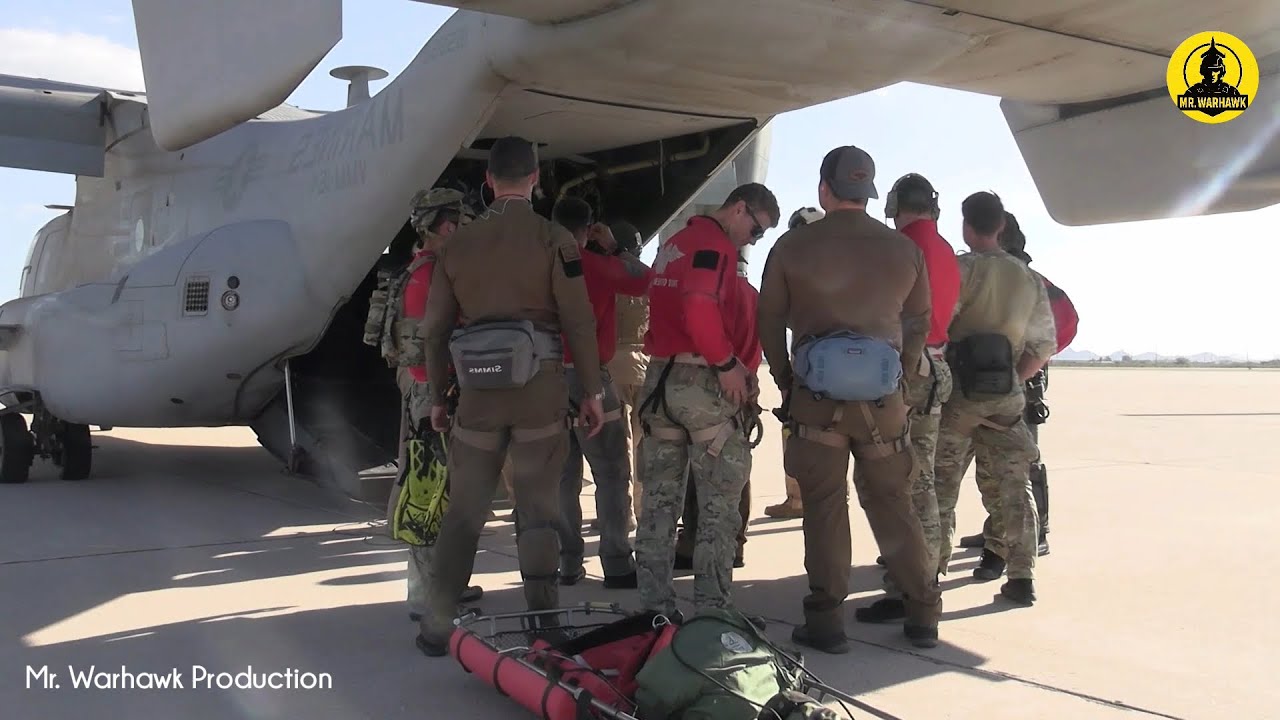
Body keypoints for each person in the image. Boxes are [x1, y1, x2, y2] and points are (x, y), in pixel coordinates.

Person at [416, 136, 605, 656]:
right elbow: (579, 322)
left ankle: (436, 625)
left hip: (476, 391)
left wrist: (438, 396)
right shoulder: (555, 240)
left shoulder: (456, 245)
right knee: (537, 506)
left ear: (489, 182)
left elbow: (433, 330)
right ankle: (543, 623)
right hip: (538, 390)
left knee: (465, 508)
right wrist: (590, 391)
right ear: (536, 178)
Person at [758, 145, 941, 653]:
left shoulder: (792, 248)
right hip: (884, 403)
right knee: (894, 503)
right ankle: (923, 614)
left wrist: (785, 379)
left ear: (824, 189)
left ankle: (826, 623)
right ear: (869, 192)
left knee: (823, 507)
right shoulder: (904, 250)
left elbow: (769, 320)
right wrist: (899, 378)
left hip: (816, 401)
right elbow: (919, 320)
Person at [635, 182, 779, 618]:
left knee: (659, 503)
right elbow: (699, 305)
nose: (752, 240)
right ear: (740, 210)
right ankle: (713, 611)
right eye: (756, 231)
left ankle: (654, 608)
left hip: (659, 380)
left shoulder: (675, 244)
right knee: (719, 505)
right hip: (701, 381)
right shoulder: (713, 247)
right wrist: (726, 364)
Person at [932, 193, 1057, 606]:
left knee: (940, 487)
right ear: (1001, 226)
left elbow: (935, 332)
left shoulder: (960, 269)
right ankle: (1022, 576)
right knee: (1013, 486)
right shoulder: (1028, 279)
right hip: (1005, 399)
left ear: (967, 226)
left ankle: (929, 574)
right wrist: (1012, 383)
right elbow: (1042, 347)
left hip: (959, 399)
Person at [856, 173, 961, 624]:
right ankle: (926, 578)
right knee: (924, 482)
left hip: (902, 371)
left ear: (896, 203)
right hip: (935, 369)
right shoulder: (946, 252)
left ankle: (910, 589)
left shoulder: (897, 249)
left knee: (893, 482)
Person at [383, 187, 485, 624]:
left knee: (438, 491)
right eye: (460, 224)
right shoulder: (434, 275)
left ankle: (440, 587)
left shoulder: (415, 270)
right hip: (434, 395)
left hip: (423, 389)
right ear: (446, 227)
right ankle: (429, 598)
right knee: (430, 494)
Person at [957, 211, 1078, 561]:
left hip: (1015, 384)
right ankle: (997, 533)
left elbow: (1063, 324)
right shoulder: (1019, 280)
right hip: (996, 381)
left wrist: (1026, 365)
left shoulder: (1023, 281)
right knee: (989, 463)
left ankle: (1036, 533)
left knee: (1019, 463)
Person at [550, 198, 651, 589]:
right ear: (588, 228)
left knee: (563, 478)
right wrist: (612, 246)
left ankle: (568, 563)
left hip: (548, 381)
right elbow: (645, 279)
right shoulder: (595, 264)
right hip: (593, 379)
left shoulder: (542, 265)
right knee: (610, 473)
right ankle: (615, 561)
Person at [672, 249, 761, 571]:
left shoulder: (716, 294)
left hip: (709, 386)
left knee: (699, 470)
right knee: (737, 473)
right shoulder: (754, 295)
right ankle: (734, 544)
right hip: (746, 389)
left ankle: (691, 541)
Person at [762, 206, 825, 521]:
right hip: (851, 368)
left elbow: (774, 317)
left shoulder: (791, 263)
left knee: (795, 432)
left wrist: (783, 379)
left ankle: (798, 499)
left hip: (806, 366)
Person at [604, 221, 648, 527]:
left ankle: (624, 512)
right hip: (644, 365)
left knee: (619, 444)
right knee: (644, 443)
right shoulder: (646, 277)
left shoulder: (605, 274)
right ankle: (644, 509)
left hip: (612, 365)